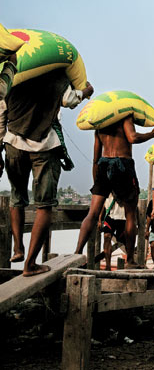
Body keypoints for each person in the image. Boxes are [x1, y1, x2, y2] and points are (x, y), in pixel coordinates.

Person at [0, 69, 93, 276]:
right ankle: (30, 264)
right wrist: (86, 91)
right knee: (44, 206)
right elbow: (69, 100)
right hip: (44, 146)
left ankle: (17, 248)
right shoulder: (56, 76)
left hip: (13, 143)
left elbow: (1, 114)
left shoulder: (13, 77)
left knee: (17, 198)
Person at [74, 115, 154, 268]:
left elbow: (95, 158)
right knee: (130, 214)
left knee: (92, 213)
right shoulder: (125, 115)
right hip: (123, 164)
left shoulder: (100, 121)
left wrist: (96, 182)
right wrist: (152, 134)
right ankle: (130, 260)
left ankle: (76, 254)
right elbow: (132, 137)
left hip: (103, 165)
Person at [102, 194, 126, 271]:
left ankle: (129, 261)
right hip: (109, 214)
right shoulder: (107, 186)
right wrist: (99, 219)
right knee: (107, 236)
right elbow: (102, 201)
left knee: (124, 239)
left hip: (123, 216)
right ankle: (108, 266)